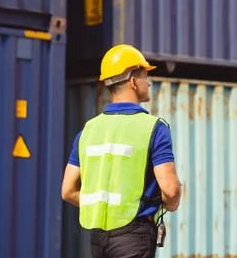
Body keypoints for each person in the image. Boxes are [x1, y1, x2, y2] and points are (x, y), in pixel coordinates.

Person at [61, 44, 182, 258]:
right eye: (145, 76)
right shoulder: (153, 128)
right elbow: (171, 190)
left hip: (98, 239)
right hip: (134, 237)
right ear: (133, 82)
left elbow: (68, 191)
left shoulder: (89, 130)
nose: (149, 83)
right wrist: (169, 205)